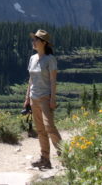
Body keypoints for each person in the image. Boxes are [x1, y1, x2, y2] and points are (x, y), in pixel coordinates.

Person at [23, 29, 62, 170]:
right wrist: (27, 98)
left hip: (45, 98)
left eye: (36, 40)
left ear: (44, 43)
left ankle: (65, 156)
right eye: (33, 39)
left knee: (50, 128)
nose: (33, 41)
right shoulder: (32, 58)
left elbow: (53, 81)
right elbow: (30, 80)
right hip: (34, 99)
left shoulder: (50, 59)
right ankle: (45, 159)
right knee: (40, 130)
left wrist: (53, 99)